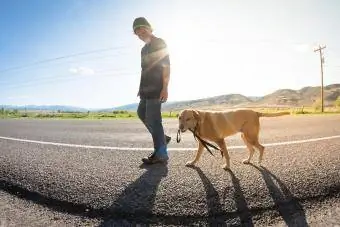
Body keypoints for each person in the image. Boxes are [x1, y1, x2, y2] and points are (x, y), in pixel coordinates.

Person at [133, 17, 171, 164]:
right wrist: (140, 88)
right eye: (137, 31)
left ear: (149, 28)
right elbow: (144, 70)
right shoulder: (143, 50)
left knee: (154, 119)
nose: (140, 33)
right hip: (145, 89)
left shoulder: (159, 43)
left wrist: (165, 87)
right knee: (141, 113)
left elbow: (166, 66)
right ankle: (163, 138)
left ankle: (161, 154)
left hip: (156, 88)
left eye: (142, 29)